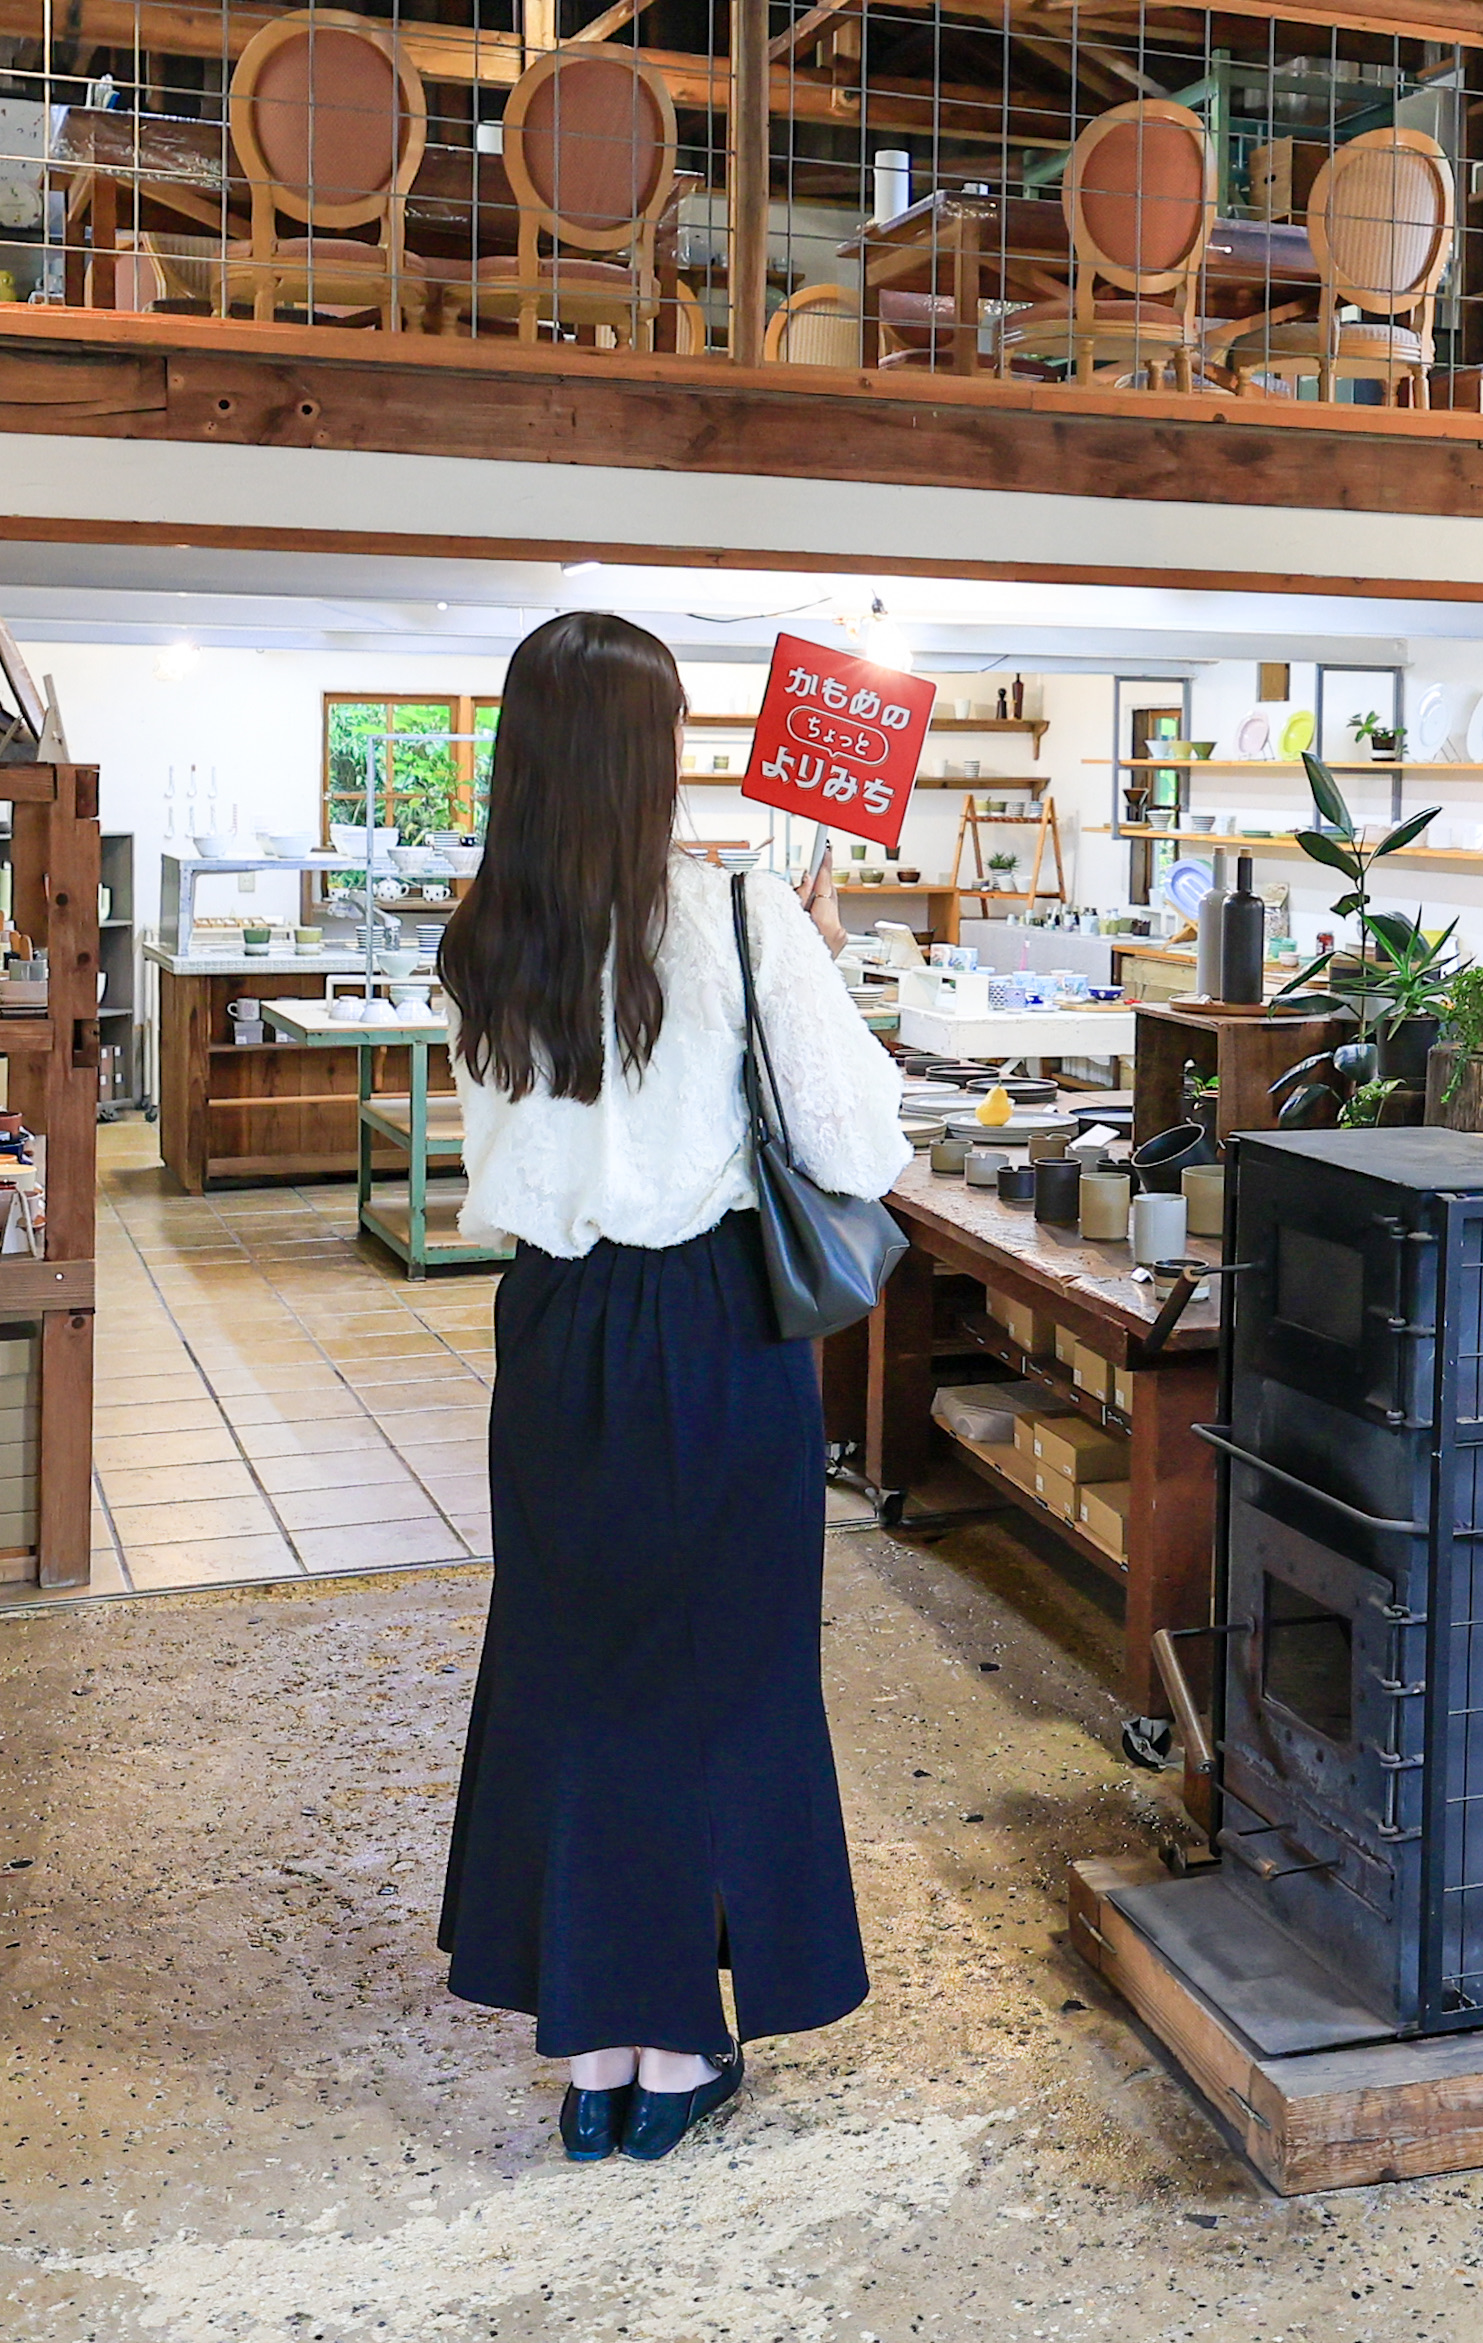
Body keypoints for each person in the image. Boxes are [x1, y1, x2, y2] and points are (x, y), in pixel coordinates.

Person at [430, 611, 909, 2163]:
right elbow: (858, 1144)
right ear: (656, 752)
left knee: (571, 1676)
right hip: (713, 1328)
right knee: (725, 1682)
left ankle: (597, 2059)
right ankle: (680, 2047)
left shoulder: (480, 938)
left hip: (553, 1331)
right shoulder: (743, 910)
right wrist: (817, 960)